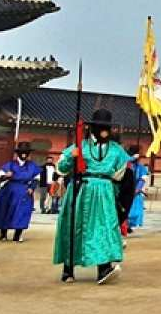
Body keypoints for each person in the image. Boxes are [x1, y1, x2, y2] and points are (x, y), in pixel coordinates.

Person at [54, 109, 127, 284]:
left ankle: (104, 268)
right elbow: (62, 168)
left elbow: (120, 174)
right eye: (100, 127)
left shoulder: (116, 150)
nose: (104, 131)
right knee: (74, 226)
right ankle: (68, 268)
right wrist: (71, 158)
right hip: (81, 190)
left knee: (105, 227)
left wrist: (114, 191)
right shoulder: (81, 146)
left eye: (107, 127)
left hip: (104, 191)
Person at [0, 142, 43, 242]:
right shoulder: (10, 164)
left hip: (24, 191)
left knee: (22, 213)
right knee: (5, 211)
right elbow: (0, 176)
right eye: (22, 152)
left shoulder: (32, 166)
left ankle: (17, 234)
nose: (24, 154)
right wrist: (6, 176)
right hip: (9, 191)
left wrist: (32, 188)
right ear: (18, 153)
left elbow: (36, 178)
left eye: (26, 152)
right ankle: (3, 233)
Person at [125, 152, 149, 231]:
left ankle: (130, 225)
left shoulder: (141, 168)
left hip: (136, 192)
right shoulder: (125, 166)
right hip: (125, 191)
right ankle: (125, 225)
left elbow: (142, 179)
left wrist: (137, 189)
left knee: (135, 211)